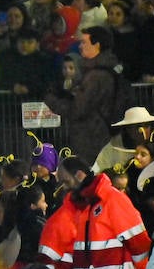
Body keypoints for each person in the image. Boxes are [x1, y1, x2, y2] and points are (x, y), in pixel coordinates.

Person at [40, 156, 151, 269]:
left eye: (66, 181)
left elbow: (139, 245)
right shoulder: (79, 208)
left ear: (79, 175)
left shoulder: (112, 200)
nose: (65, 187)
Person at [43, 26, 125, 165]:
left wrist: (51, 100)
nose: (80, 46)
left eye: (84, 42)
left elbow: (77, 109)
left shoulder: (95, 76)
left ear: (97, 45)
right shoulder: (104, 70)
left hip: (91, 138)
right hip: (99, 134)